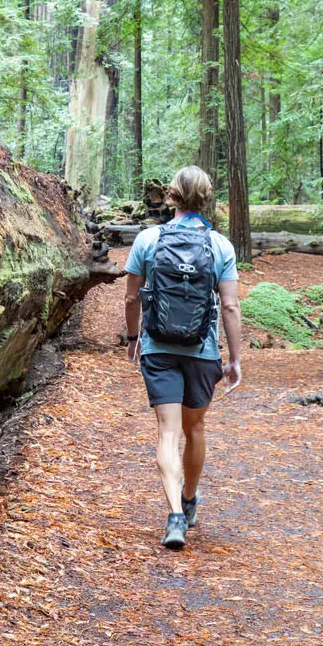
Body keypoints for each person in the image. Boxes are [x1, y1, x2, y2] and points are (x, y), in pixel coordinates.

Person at [123, 166, 243, 550]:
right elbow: (229, 306)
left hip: (158, 348)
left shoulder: (148, 239)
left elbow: (130, 297)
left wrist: (132, 337)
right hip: (202, 351)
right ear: (207, 199)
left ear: (170, 197)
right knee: (196, 429)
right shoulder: (221, 246)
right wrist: (234, 359)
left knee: (168, 432)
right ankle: (189, 500)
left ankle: (174, 514)